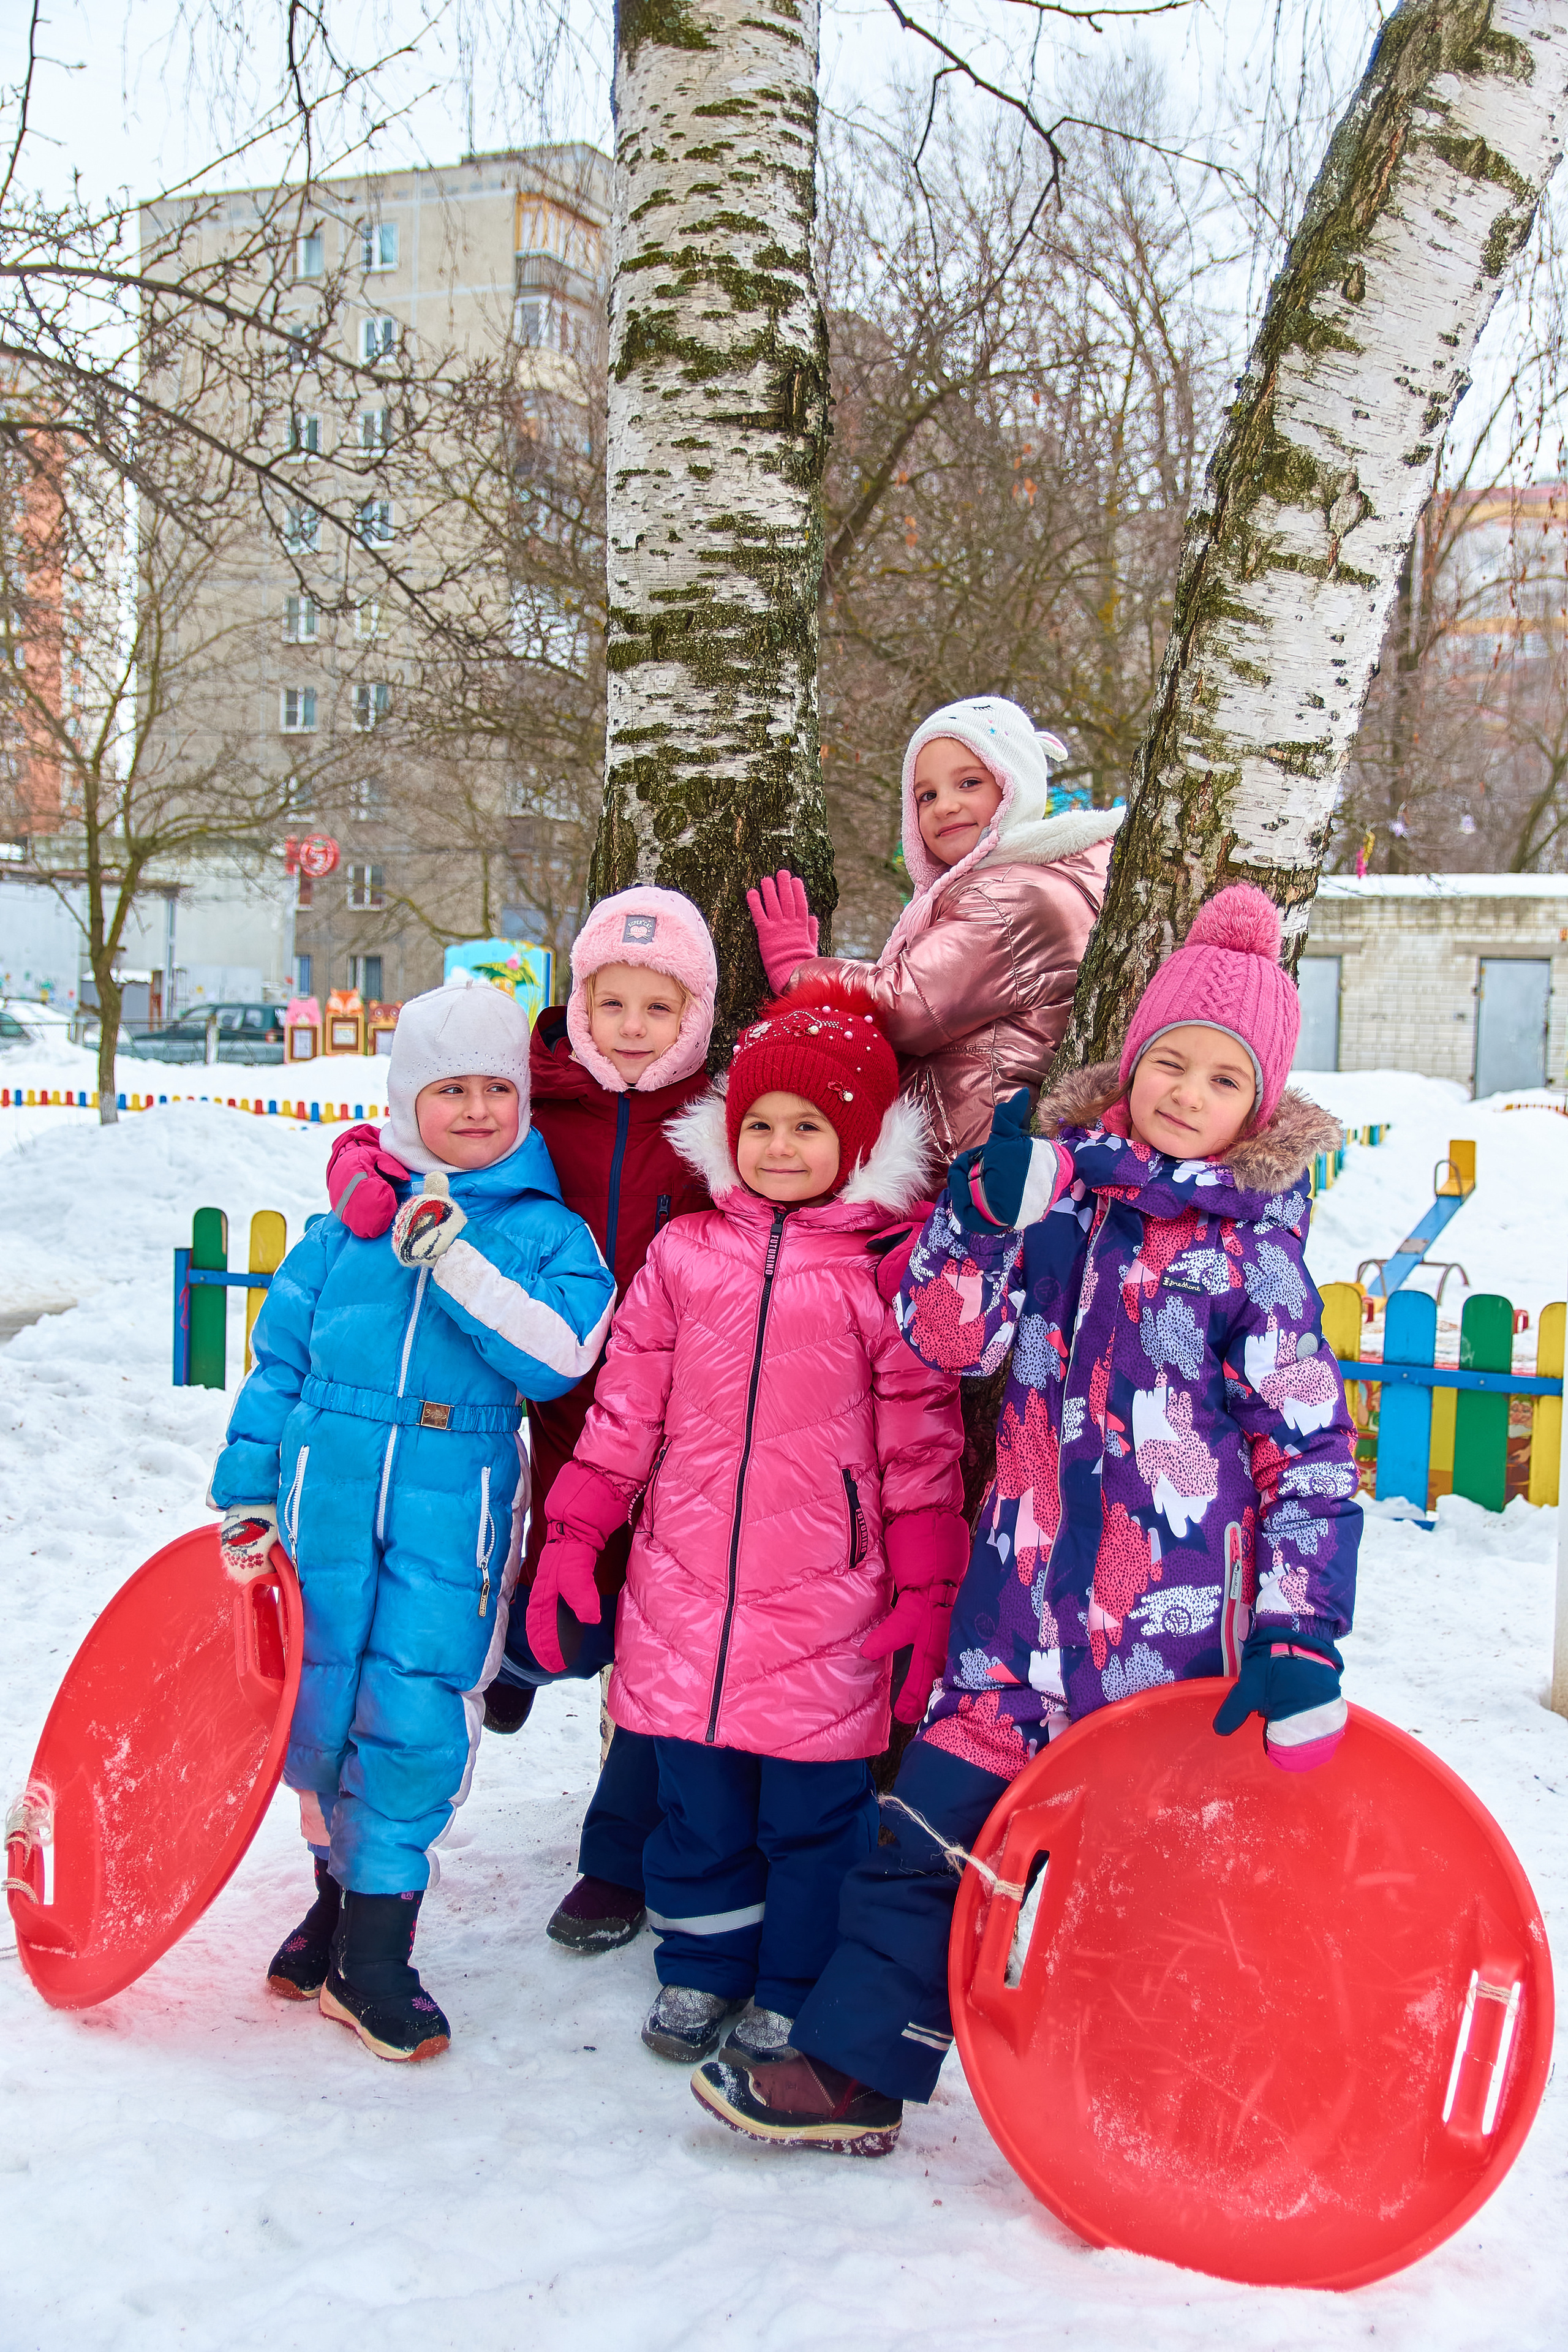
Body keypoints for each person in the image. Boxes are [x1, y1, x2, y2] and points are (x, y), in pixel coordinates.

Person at [689, 884, 1362, 2154]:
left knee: (1138, 1884)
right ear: (1129, 1064)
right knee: (923, 1841)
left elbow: (1308, 1455)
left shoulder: (1255, 1260)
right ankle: (853, 2072)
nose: (1182, 1090)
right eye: (1166, 1060)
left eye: (1218, 1078)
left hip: (1161, 1655)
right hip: (1011, 1616)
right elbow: (944, 1340)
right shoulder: (1059, 1198)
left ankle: (1142, 2092)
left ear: (1254, 1109)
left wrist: (1296, 1632)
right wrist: (977, 1215)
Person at [526, 983, 968, 2068]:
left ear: (856, 1141)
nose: (777, 1146)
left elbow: (921, 1445)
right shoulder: (684, 1258)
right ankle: (703, 1969)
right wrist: (574, 1537)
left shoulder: (885, 1275)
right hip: (683, 1591)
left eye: (807, 1127)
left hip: (828, 1599)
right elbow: (624, 1414)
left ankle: (789, 1983)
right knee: (698, 1808)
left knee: (816, 1820)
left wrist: (924, 1593)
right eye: (759, 1124)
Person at [209, 977, 615, 2062]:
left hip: (453, 1502)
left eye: (497, 1088)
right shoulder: (339, 1236)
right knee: (319, 1700)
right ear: (406, 1100)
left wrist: (456, 1259)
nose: (478, 1110)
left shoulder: (544, 1232)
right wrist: (247, 1493)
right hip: (323, 1497)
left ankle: (379, 1953)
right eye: (451, 1090)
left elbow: (559, 1354)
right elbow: (278, 1363)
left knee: (413, 1710)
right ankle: (333, 1909)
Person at [323, 889, 719, 1960]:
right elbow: (426, 1115)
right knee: (536, 1591)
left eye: (659, 1006)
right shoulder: (540, 1088)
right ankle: (515, 1672)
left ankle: (617, 1858)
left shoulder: (719, 1116)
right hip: (533, 1397)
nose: (633, 1027)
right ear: (578, 1004)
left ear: (695, 1015)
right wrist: (360, 1161)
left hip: (673, 1413)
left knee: (656, 1635)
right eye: (612, 1001)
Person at [747, 695, 1120, 1162]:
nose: (945, 806)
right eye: (927, 795)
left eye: (969, 782)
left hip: (966, 1152)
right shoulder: (1030, 879)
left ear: (1015, 784)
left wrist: (798, 971)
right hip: (977, 1139)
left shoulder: (1007, 896)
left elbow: (907, 1006)